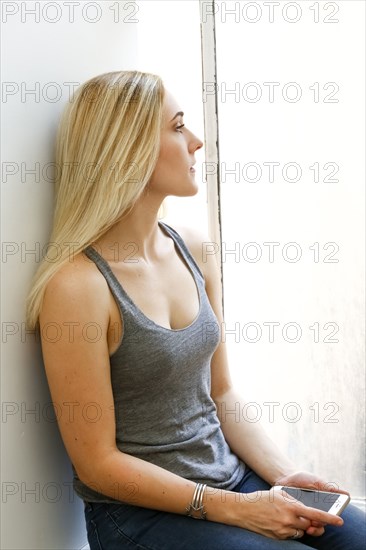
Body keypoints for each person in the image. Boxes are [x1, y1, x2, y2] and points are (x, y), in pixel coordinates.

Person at [26, 70, 365, 550]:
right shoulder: (77, 286)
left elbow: (222, 393)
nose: (197, 142)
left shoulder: (194, 249)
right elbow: (97, 464)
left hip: (230, 479)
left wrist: (288, 479)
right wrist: (240, 510)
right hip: (140, 515)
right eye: (179, 126)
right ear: (128, 149)